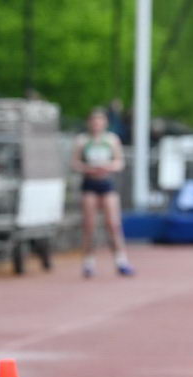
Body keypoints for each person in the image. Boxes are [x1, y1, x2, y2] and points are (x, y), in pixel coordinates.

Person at [71, 108, 133, 278]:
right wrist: (87, 168)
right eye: (94, 120)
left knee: (113, 224)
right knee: (89, 225)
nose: (97, 124)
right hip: (89, 184)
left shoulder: (111, 140)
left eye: (100, 120)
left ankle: (121, 260)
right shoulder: (82, 140)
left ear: (105, 123)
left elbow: (120, 162)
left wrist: (108, 167)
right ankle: (88, 262)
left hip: (106, 184)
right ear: (89, 122)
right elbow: (74, 162)